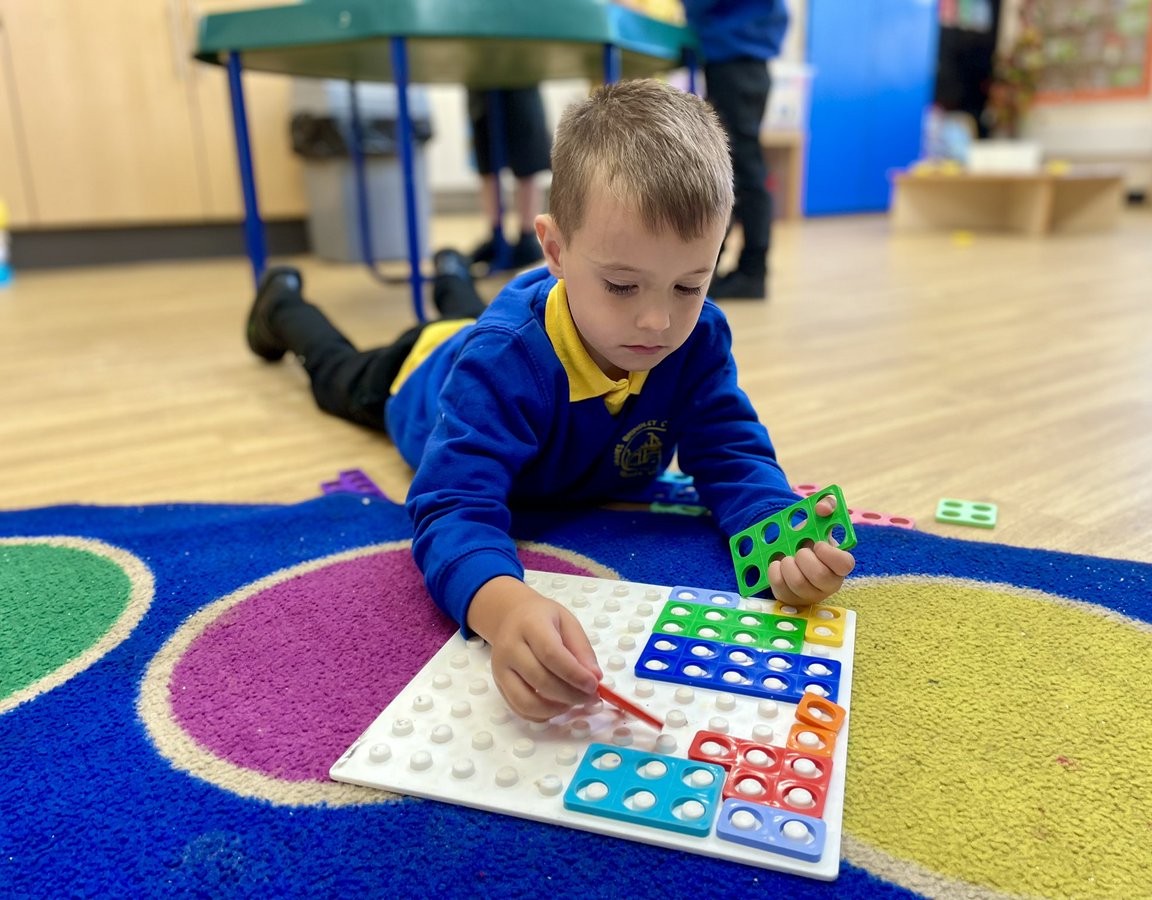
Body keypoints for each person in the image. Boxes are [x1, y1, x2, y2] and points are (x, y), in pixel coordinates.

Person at [246, 79, 855, 721]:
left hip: (504, 330)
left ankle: (455, 273)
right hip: (420, 375)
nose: (658, 321)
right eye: (623, 286)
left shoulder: (695, 339)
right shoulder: (503, 362)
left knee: (481, 315)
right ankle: (281, 309)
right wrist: (502, 604)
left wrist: (777, 530)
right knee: (339, 373)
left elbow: (730, 451)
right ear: (555, 249)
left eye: (689, 284)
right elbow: (450, 503)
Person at [683, 0, 788, 300]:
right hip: (743, 57)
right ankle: (741, 269)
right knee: (740, 167)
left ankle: (752, 272)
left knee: (738, 169)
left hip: (734, 58)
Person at [466, 87, 551, 271]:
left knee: (528, 158)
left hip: (520, 76)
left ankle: (527, 238)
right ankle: (496, 236)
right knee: (486, 158)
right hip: (481, 82)